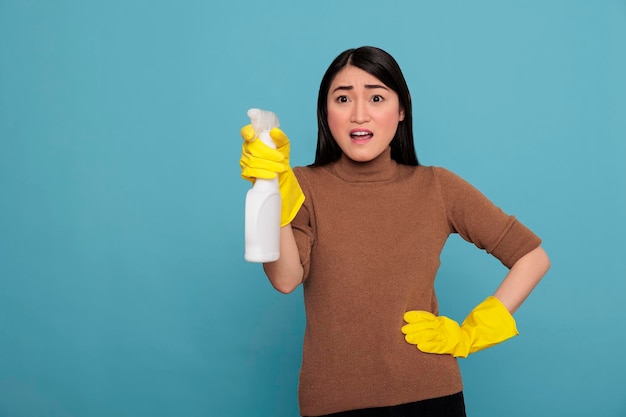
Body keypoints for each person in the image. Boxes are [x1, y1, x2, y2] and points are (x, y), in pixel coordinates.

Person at [239, 46, 550, 417]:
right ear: (326, 112)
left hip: (432, 396)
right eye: (342, 98)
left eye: (376, 97)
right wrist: (272, 190)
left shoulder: (437, 187)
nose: (359, 114)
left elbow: (532, 257)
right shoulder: (302, 187)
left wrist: (472, 333)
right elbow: (286, 279)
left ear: (401, 110)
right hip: (333, 403)